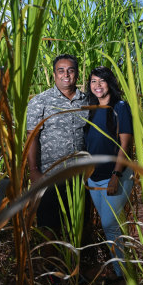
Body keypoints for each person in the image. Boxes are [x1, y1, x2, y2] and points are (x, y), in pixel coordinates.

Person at [26, 53, 89, 235]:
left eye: (70, 70)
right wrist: (34, 170)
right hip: (50, 174)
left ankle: (75, 262)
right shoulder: (40, 102)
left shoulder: (86, 101)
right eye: (60, 71)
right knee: (49, 225)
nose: (66, 75)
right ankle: (49, 263)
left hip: (79, 175)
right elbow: (32, 137)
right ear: (54, 75)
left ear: (77, 74)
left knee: (76, 224)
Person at [84, 66, 134, 283]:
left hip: (116, 175)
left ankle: (126, 274)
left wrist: (116, 174)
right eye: (93, 81)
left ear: (110, 83)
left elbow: (126, 143)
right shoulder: (90, 108)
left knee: (109, 224)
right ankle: (120, 271)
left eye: (102, 81)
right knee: (112, 226)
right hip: (93, 177)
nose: (97, 85)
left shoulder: (120, 107)